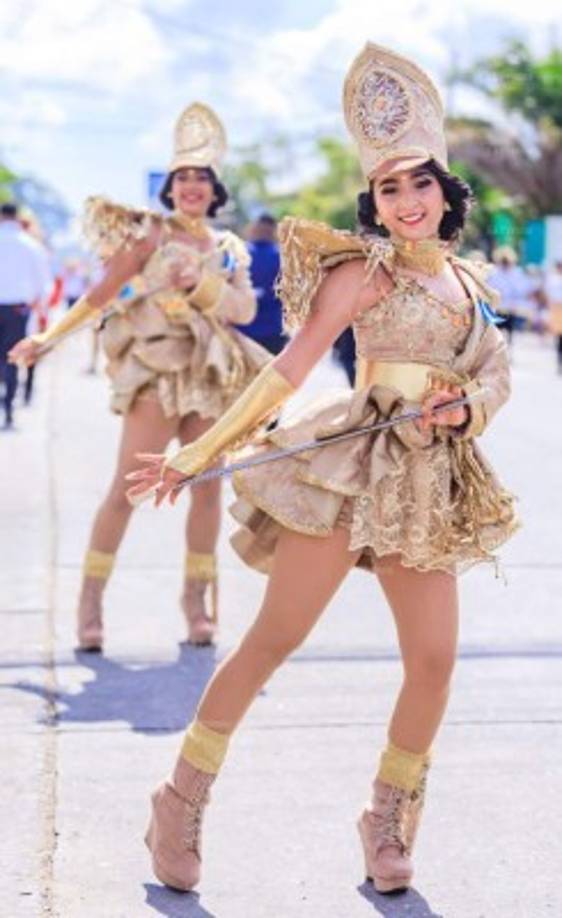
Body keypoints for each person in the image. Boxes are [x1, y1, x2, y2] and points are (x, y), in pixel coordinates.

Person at [129, 44, 518, 897]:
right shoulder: (361, 273)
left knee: (435, 659)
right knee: (275, 640)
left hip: (428, 482)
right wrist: (200, 452)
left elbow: (496, 370)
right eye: (389, 187)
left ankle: (388, 820)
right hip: (351, 464)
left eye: (420, 183)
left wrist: (468, 408)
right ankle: (180, 799)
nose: (406, 202)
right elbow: (286, 369)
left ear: (446, 193)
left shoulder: (467, 281)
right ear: (372, 200)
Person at [9, 103, 269, 651]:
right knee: (128, 490)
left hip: (209, 378)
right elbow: (98, 298)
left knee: (204, 492)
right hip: (153, 374)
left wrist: (198, 283)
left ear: (215, 191)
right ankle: (90, 603)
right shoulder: (147, 236)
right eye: (183, 178)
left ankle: (196, 602)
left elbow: (244, 310)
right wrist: (46, 339)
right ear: (169, 188)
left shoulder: (226, 249)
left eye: (203, 178)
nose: (193, 186)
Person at [0, 202, 51, 428]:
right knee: (12, 358)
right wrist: (42, 311)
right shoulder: (31, 246)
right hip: (17, 309)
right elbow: (43, 285)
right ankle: (9, 408)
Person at [238, 213, 288, 355]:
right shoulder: (283, 257)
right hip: (273, 331)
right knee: (272, 376)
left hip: (242, 333)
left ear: (253, 229)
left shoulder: (237, 254)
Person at [544, 259, 562, 372]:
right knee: (559, 338)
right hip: (557, 309)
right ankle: (559, 362)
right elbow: (550, 295)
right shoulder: (553, 280)